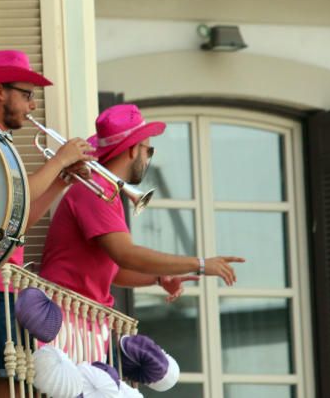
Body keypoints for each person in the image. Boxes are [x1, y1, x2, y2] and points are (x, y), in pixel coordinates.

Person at [0, 49, 96, 398]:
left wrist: (61, 180)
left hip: (8, 288)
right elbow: (13, 198)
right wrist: (59, 160)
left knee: (21, 386)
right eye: (26, 94)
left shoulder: (2, 142)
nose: (32, 106)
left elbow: (18, 220)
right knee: (5, 385)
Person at [38, 103, 245, 310]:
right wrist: (200, 264)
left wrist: (158, 278)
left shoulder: (106, 191)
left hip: (78, 313)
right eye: (149, 150)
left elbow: (114, 270)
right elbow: (126, 255)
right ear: (133, 149)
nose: (148, 159)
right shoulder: (95, 190)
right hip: (64, 313)